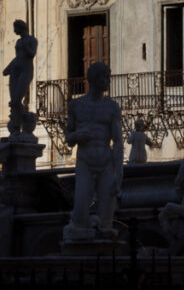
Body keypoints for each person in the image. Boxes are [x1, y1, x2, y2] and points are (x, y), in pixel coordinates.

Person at [64, 62, 123, 240]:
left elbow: (118, 141)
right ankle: (87, 227)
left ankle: (101, 236)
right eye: (104, 77)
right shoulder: (76, 106)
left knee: (107, 221)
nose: (107, 81)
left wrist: (118, 174)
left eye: (108, 77)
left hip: (106, 162)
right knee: (81, 213)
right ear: (93, 79)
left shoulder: (112, 107)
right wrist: (76, 135)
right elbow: (68, 138)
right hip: (85, 161)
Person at [3, 20, 37, 133]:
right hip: (15, 70)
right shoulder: (18, 41)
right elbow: (18, 57)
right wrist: (8, 68)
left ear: (20, 28)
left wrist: (26, 46)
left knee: (16, 100)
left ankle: (27, 120)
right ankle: (16, 127)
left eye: (15, 28)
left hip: (26, 71)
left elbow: (32, 54)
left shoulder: (32, 40)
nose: (14, 30)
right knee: (13, 101)